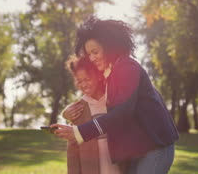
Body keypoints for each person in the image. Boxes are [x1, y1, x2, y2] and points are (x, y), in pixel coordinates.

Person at [52, 16, 179, 174]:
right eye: (88, 54)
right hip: (139, 149)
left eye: (95, 52)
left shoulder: (127, 67)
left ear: (110, 46)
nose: (91, 58)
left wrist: (79, 132)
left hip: (156, 146)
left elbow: (122, 112)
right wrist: (67, 112)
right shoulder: (112, 72)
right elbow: (94, 97)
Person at [64, 55, 122, 174]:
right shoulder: (78, 110)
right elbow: (73, 152)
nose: (84, 84)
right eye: (80, 81)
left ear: (99, 77)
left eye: (88, 79)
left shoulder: (113, 99)